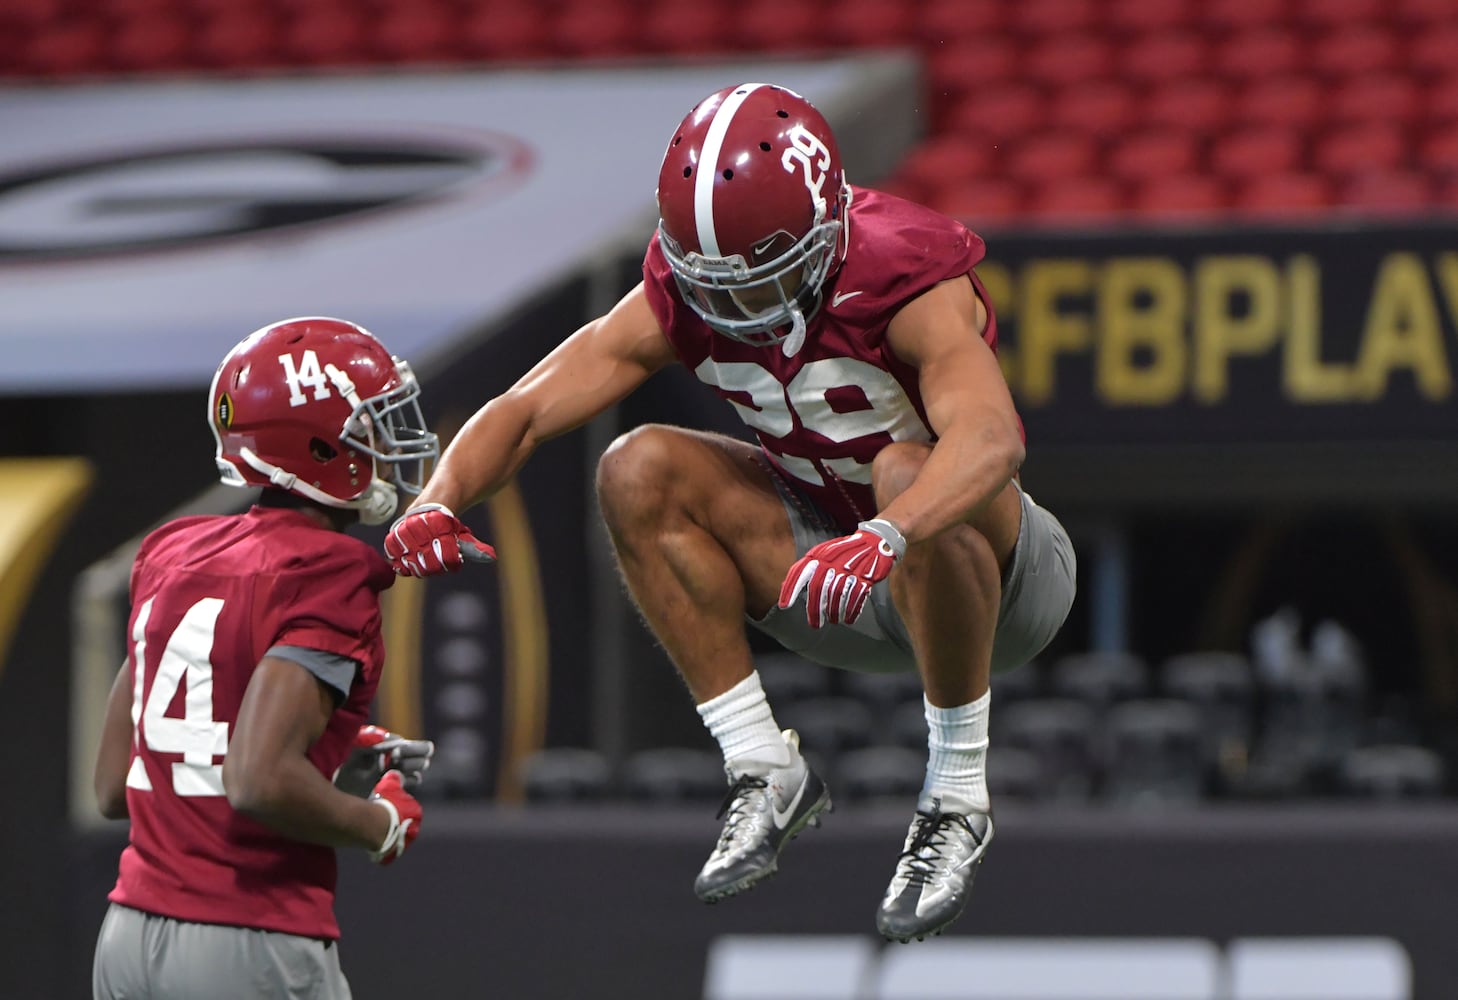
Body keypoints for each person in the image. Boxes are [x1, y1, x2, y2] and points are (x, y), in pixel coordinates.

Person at [385, 83, 1077, 942]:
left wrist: (890, 532)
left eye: (765, 279)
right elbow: (528, 405)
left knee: (904, 467)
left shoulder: (904, 270)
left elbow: (991, 438)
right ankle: (761, 765)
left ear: (829, 232)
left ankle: (957, 799)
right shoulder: (684, 290)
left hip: (999, 580)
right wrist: (437, 498)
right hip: (834, 569)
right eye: (715, 283)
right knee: (637, 466)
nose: (736, 308)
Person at [92, 316, 440, 999]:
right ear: (314, 444)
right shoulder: (329, 570)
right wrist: (380, 822)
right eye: (368, 428)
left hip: (129, 934)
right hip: (248, 938)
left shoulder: (172, 551)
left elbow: (115, 785)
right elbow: (255, 781)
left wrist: (328, 755)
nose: (387, 444)